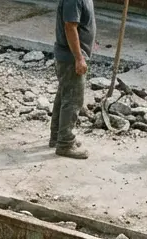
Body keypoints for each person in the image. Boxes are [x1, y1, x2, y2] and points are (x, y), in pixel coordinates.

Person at [51, 0, 97, 160]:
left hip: (69, 55)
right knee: (72, 100)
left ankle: (57, 136)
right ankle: (65, 143)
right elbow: (70, 27)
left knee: (64, 95)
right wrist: (79, 57)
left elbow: (80, 25)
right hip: (70, 58)